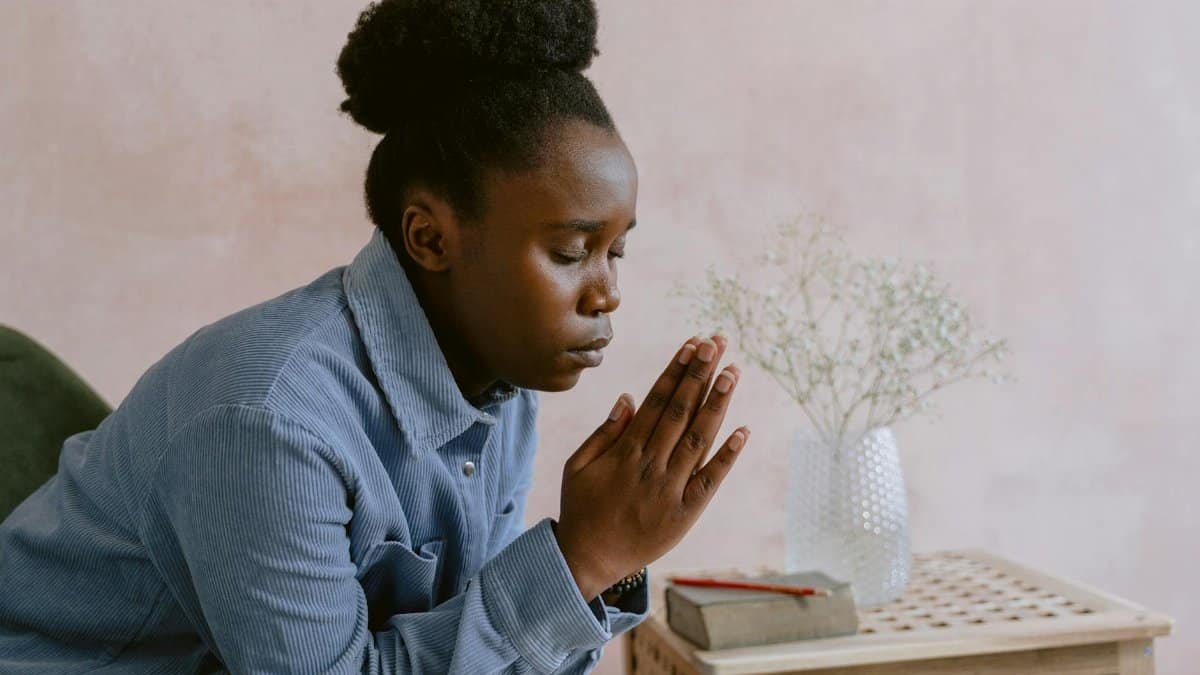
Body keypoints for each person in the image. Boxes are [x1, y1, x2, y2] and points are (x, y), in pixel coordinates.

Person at [0, 0, 750, 672]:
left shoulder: (501, 381)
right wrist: (580, 559)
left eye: (616, 249)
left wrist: (594, 558)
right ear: (429, 237)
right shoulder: (268, 419)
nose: (608, 290)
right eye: (569, 251)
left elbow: (474, 649)